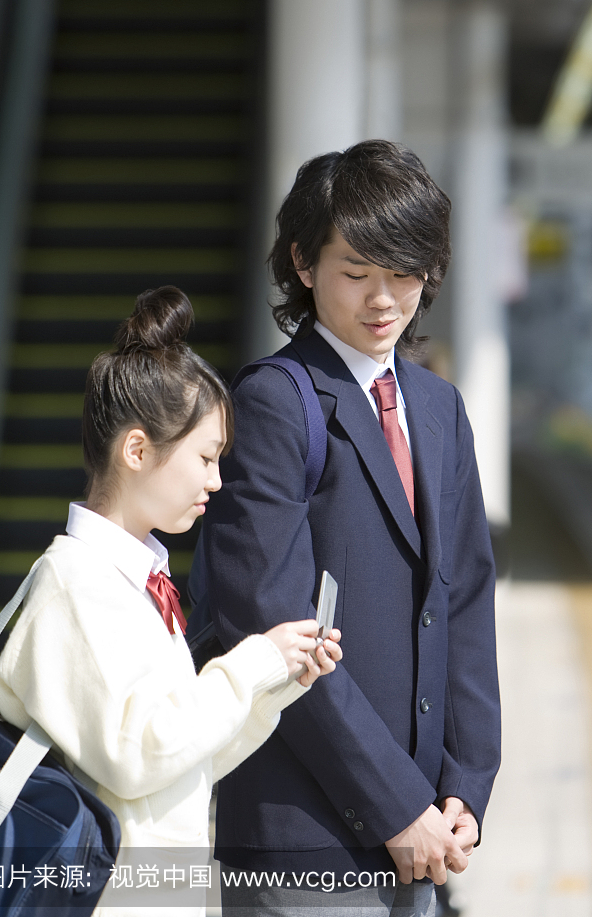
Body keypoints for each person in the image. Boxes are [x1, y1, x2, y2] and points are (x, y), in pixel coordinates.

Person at [201, 140, 501, 916]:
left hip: (425, 834)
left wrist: (465, 785)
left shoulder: (439, 409)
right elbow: (271, 625)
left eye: (404, 273)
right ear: (303, 265)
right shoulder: (273, 401)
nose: (384, 300)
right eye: (356, 272)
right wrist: (399, 805)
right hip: (303, 837)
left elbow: (464, 601)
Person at [0, 285, 342, 917]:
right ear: (136, 450)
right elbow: (138, 755)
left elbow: (179, 763)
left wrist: (278, 682)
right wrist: (252, 663)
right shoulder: (74, 584)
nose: (216, 480)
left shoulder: (135, 581)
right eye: (206, 457)